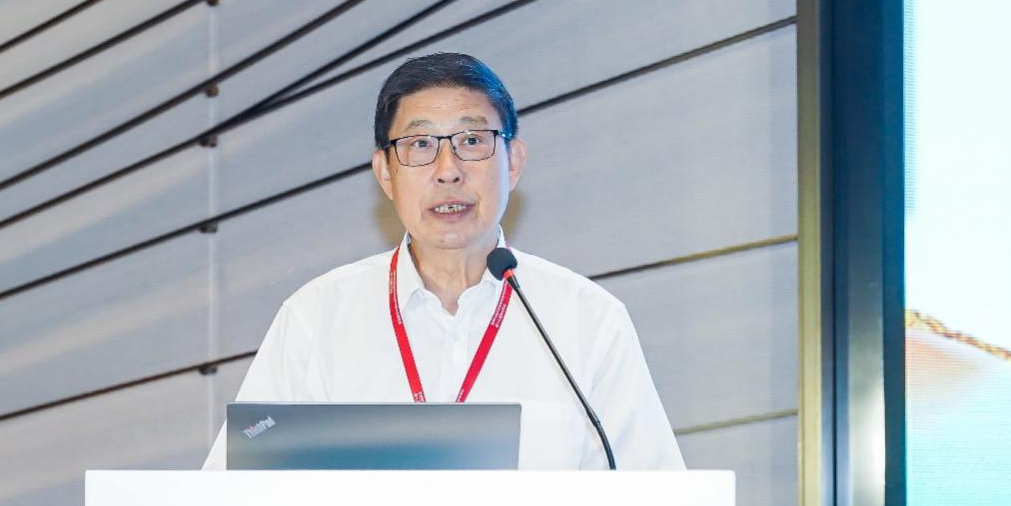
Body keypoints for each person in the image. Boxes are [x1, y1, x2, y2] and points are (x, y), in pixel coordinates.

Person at [202, 52, 682, 470]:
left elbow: (654, 504)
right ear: (384, 173)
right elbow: (230, 497)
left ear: (513, 161)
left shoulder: (587, 320)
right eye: (420, 145)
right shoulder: (317, 318)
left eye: (472, 141)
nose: (447, 171)